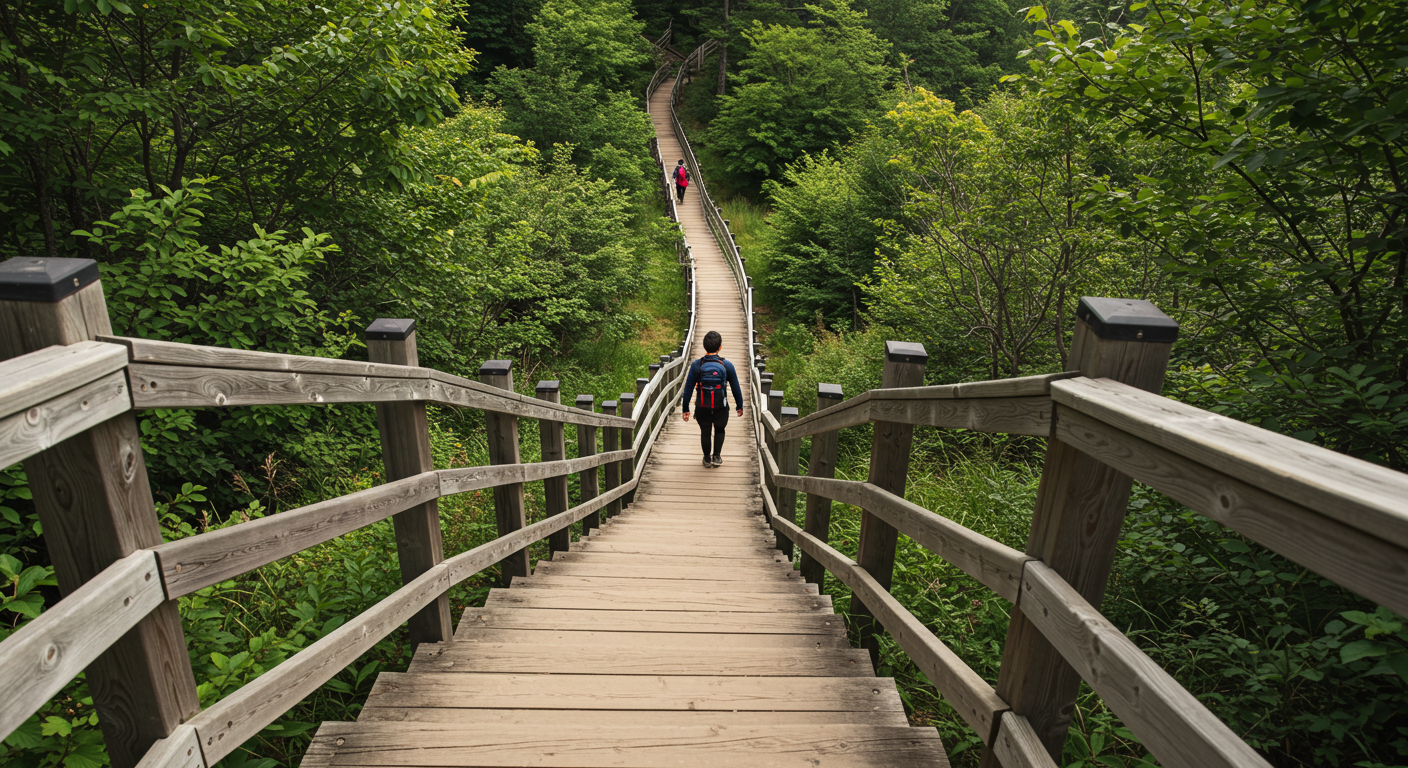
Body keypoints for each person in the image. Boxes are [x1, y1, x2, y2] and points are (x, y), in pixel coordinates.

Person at [681, 330, 743, 468]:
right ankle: (717, 457)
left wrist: (685, 408)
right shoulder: (727, 366)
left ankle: (707, 458)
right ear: (720, 347)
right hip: (721, 406)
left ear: (704, 346)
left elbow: (688, 389)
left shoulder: (696, 365)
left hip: (702, 406)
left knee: (705, 432)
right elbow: (736, 388)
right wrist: (739, 405)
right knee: (720, 430)